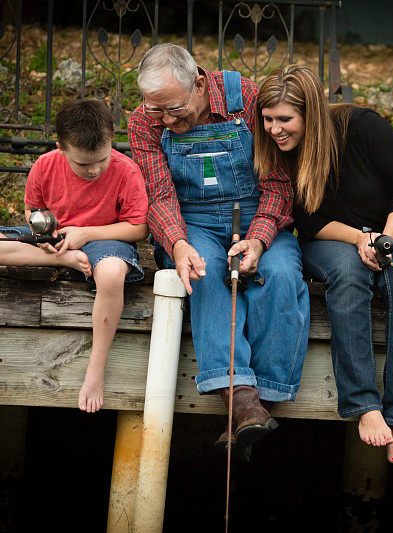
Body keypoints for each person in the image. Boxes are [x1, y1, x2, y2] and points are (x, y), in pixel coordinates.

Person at [127, 44, 309, 455]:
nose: (168, 120)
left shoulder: (247, 98)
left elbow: (279, 182)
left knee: (280, 274)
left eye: (174, 108)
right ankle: (242, 401)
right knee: (204, 271)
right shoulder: (143, 121)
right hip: (191, 222)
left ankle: (266, 396)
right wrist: (176, 243)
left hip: (260, 213)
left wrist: (259, 238)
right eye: (158, 112)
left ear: (198, 82)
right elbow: (158, 194)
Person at [255, 65, 393, 465]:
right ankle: (363, 404)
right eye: (268, 120)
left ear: (311, 114)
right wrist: (359, 238)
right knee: (349, 273)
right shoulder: (280, 150)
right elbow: (308, 220)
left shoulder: (361, 126)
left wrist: (385, 238)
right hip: (330, 237)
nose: (275, 129)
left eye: (284, 119)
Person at [0, 99, 149, 414]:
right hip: (58, 240)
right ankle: (59, 261)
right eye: (83, 164)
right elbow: (33, 210)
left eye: (101, 160)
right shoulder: (45, 165)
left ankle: (96, 366)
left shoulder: (126, 170)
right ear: (61, 149)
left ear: (111, 143)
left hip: (105, 238)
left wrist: (88, 234)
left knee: (110, 274)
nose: (94, 170)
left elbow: (138, 228)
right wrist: (47, 240)